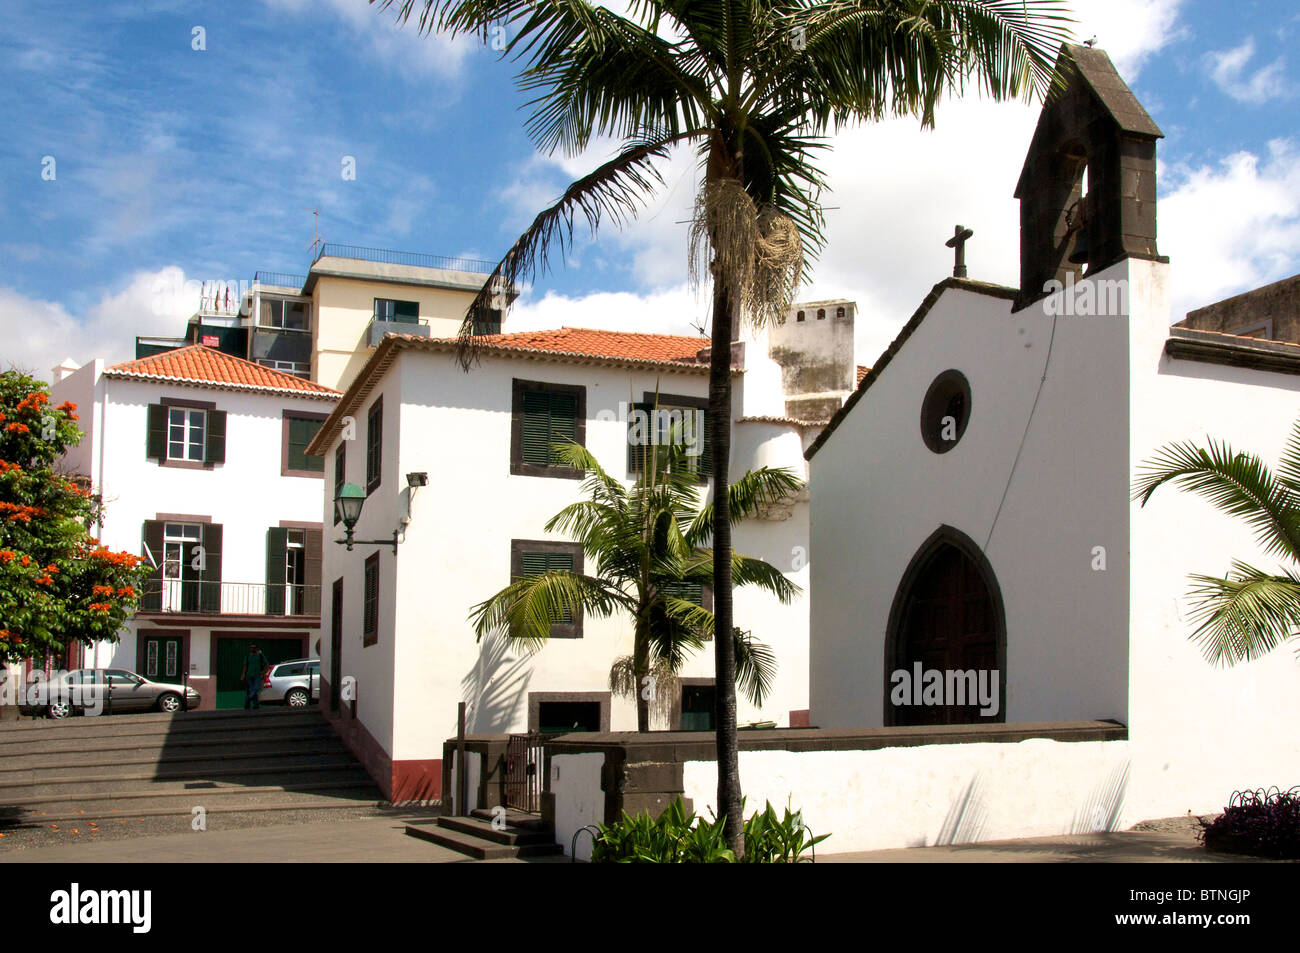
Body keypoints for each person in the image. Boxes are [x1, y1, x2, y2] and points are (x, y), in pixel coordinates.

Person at [240, 643, 269, 710]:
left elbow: (267, 664)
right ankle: (256, 705)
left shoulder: (260, 656)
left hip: (257, 675)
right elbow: (245, 666)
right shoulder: (247, 656)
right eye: (251, 647)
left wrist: (264, 672)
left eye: (254, 647)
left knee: (255, 689)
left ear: (256, 648)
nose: (252, 649)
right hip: (249, 675)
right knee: (251, 690)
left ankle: (247, 701)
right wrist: (243, 674)